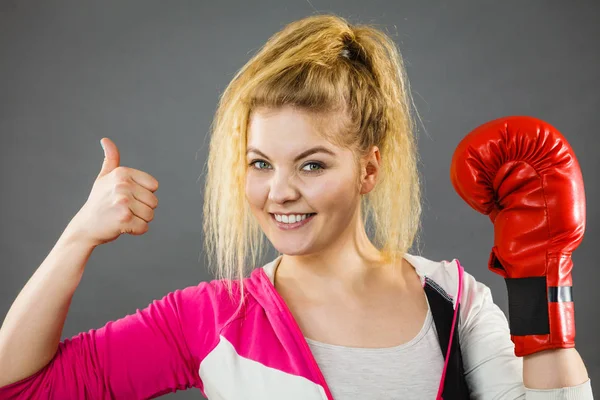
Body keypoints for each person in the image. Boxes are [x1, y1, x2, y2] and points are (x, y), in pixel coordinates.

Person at [0, 13, 594, 400]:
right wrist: (76, 238)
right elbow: (21, 389)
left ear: (369, 166)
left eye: (311, 164)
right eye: (261, 163)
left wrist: (542, 276)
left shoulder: (455, 301)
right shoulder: (213, 319)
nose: (279, 191)